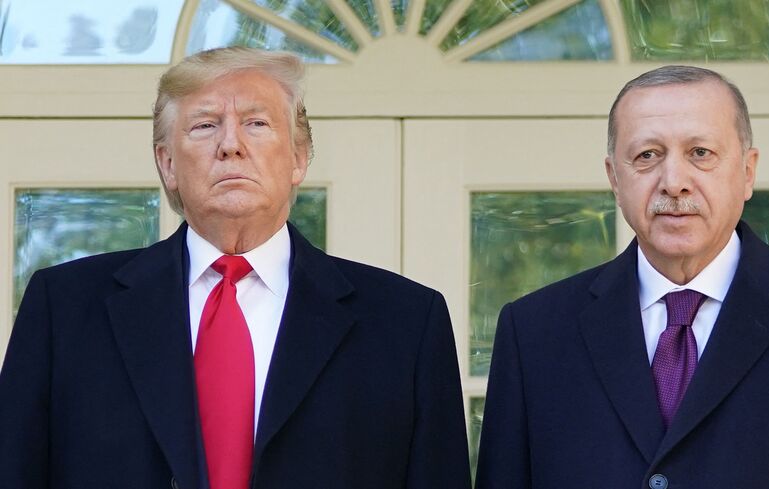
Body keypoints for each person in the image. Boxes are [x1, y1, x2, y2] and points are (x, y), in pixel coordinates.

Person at [0, 47, 470, 489]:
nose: (231, 144)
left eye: (257, 123)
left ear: (299, 158)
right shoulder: (63, 308)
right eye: (204, 126)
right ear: (167, 164)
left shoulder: (407, 321)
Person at [475, 65, 769, 488]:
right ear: (614, 178)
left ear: (748, 172)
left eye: (701, 153)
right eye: (647, 155)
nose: (675, 182)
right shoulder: (533, 333)